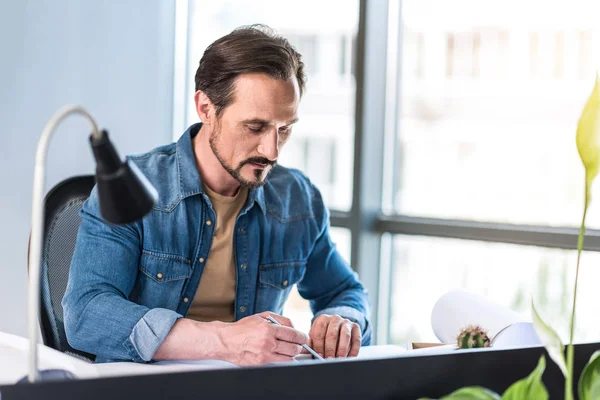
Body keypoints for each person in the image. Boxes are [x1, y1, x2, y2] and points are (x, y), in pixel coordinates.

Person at [62, 25, 371, 365]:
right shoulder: (132, 191)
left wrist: (343, 321)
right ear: (206, 108)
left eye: (284, 129)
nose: (272, 150)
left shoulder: (297, 198)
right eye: (255, 127)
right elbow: (86, 312)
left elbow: (345, 292)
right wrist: (222, 340)